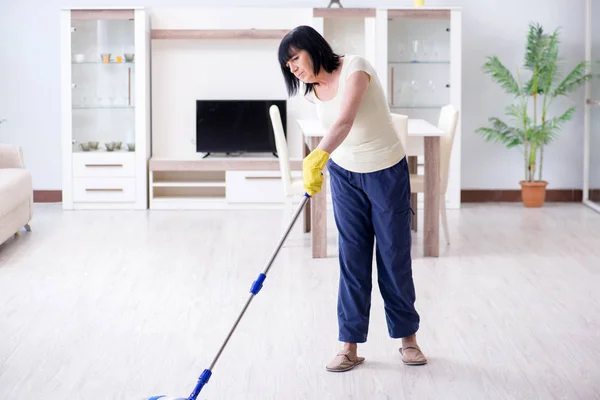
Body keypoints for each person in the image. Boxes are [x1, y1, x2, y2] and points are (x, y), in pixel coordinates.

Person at [277, 25, 427, 372]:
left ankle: (408, 339)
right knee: (352, 259)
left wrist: (317, 155)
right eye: (288, 66)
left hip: (386, 171)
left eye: (295, 59)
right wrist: (325, 160)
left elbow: (344, 120)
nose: (293, 68)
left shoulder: (355, 68)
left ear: (313, 49)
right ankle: (349, 345)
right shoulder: (313, 91)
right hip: (345, 175)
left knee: (393, 255)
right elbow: (333, 128)